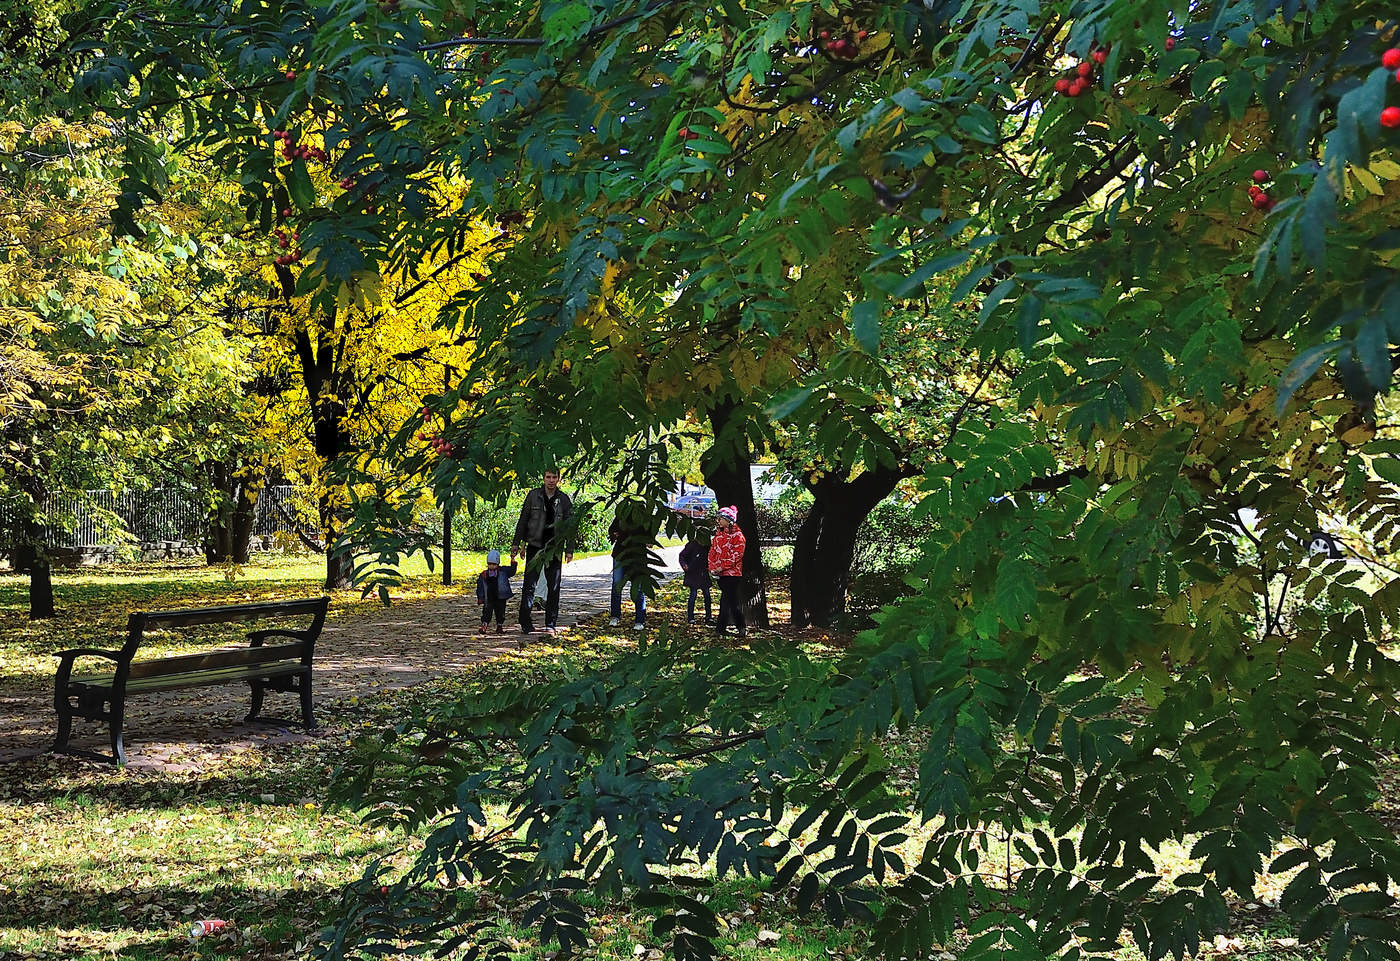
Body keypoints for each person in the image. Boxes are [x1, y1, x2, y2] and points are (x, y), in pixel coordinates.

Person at [512, 468, 575, 634]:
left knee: (553, 586)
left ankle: (550, 623)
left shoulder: (563, 500)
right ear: (543, 478)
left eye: (554, 477)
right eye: (548, 477)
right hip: (535, 545)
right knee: (529, 585)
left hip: (554, 548)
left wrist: (569, 549)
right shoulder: (533, 496)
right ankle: (525, 622)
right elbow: (523, 520)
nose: (551, 480)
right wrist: (516, 543)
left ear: (559, 479)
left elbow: (570, 527)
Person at [607, 512, 651, 630]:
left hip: (637, 557)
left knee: (638, 587)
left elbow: (649, 540)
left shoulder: (644, 518)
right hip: (621, 555)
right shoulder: (623, 515)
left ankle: (640, 619)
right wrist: (615, 534)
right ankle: (615, 616)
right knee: (617, 584)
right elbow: (612, 530)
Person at [708, 505, 746, 637]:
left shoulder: (738, 536)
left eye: (721, 519)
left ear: (728, 520)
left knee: (726, 601)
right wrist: (713, 567)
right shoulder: (718, 535)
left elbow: (737, 555)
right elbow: (712, 552)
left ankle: (721, 629)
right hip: (720, 574)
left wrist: (721, 567)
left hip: (733, 574)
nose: (718, 521)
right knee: (731, 602)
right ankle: (739, 627)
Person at [475, 549, 517, 634]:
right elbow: (480, 586)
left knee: (500, 612)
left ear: (498, 563)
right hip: (489, 597)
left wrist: (513, 561)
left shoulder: (503, 571)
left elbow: (512, 571)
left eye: (494, 564)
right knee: (487, 612)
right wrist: (480, 597)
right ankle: (484, 625)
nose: (491, 566)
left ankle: (499, 626)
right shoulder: (484, 574)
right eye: (489, 564)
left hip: (501, 597)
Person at [678, 526, 713, 625]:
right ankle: (691, 617)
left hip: (703, 573)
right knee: (693, 594)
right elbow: (682, 556)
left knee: (707, 595)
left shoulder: (707, 546)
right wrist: (685, 566)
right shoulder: (692, 545)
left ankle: (708, 617)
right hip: (693, 573)